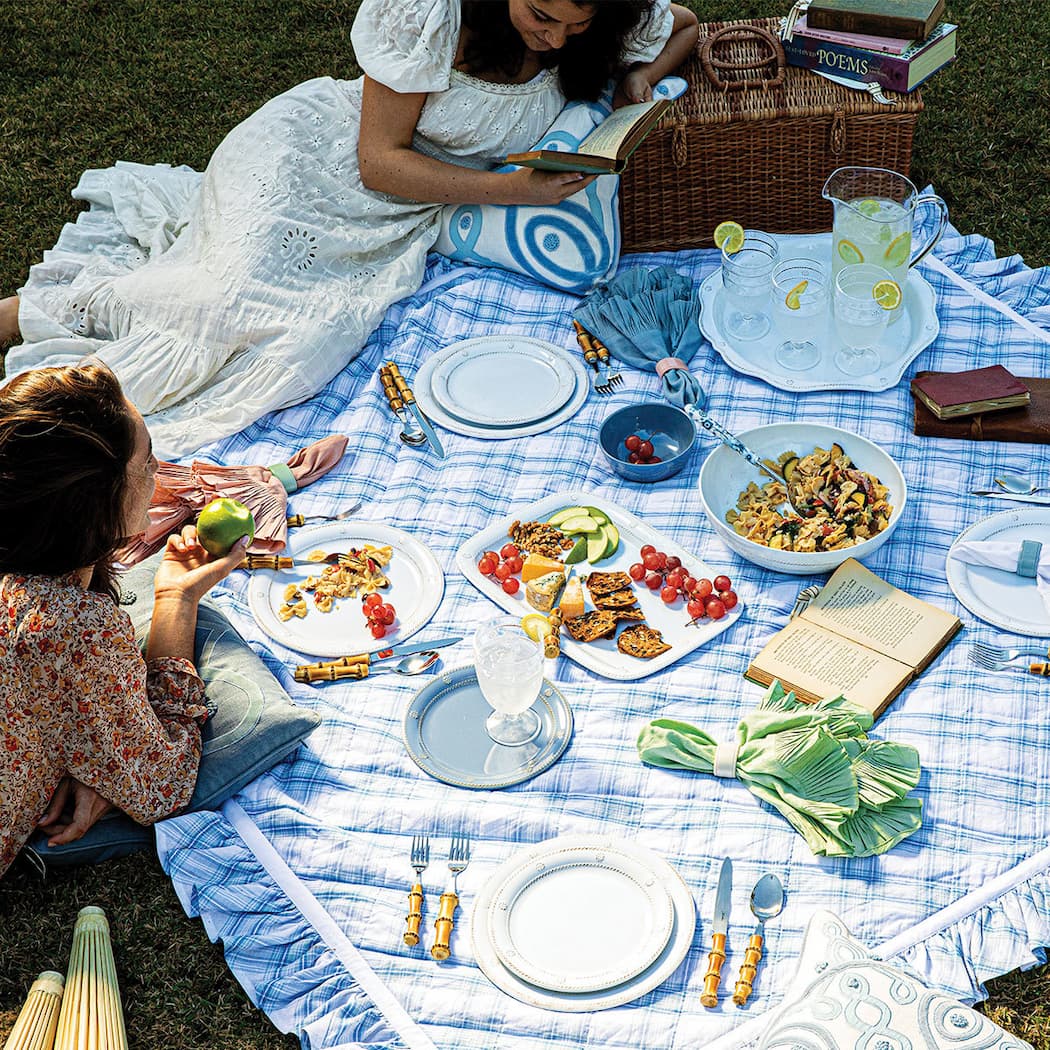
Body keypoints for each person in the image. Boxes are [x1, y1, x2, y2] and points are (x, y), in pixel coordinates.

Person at [0, 0, 699, 459]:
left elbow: (688, 24)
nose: (555, 38)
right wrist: (510, 192)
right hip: (312, 164)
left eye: (575, 27)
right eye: (542, 16)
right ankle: (32, 329)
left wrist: (639, 78)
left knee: (306, 339)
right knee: (220, 302)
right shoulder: (429, 15)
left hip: (400, 215)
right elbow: (377, 162)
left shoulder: (601, 17)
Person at [0, 362, 249, 879]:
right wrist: (177, 599)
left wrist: (92, 753)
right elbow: (161, 784)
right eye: (148, 460)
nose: (160, 468)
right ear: (93, 504)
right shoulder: (67, 627)